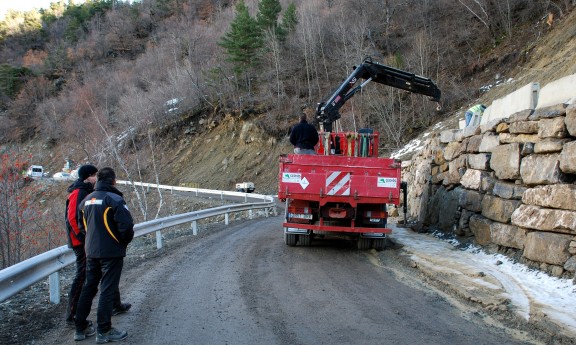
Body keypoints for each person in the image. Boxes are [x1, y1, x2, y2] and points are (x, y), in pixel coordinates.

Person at [64, 165, 131, 327]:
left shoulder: (88, 193)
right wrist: (86, 238)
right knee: (85, 280)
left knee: (100, 279)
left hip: (92, 243)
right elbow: (73, 219)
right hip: (85, 244)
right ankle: (73, 317)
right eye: (93, 175)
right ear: (88, 177)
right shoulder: (79, 193)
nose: (95, 178)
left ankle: (115, 305)